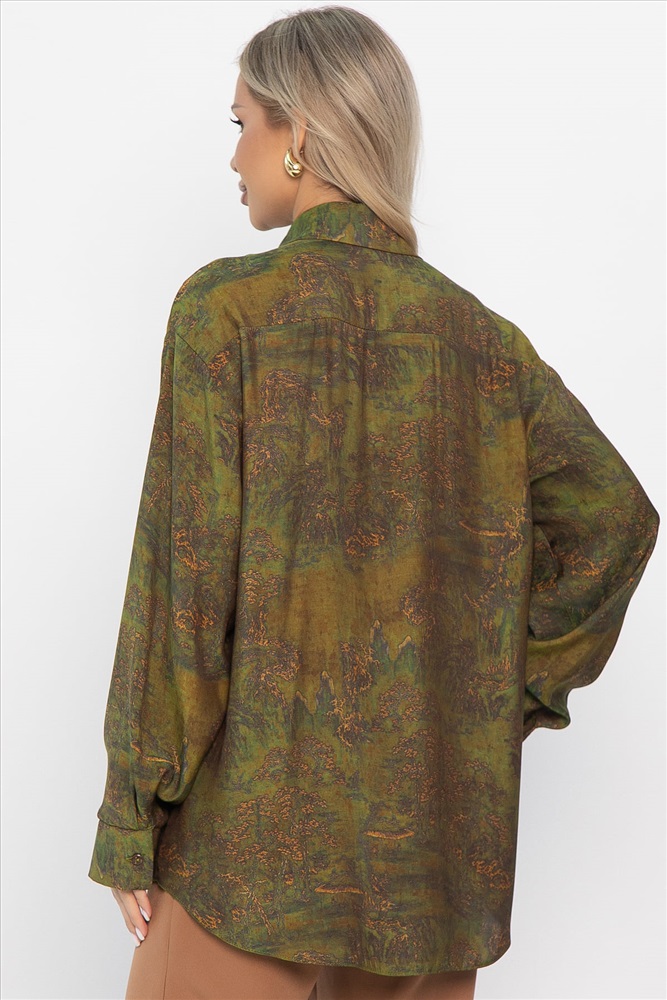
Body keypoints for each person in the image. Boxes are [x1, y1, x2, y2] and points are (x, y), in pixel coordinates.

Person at [87, 6, 660, 1000]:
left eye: (242, 124)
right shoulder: (483, 344)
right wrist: (486, 694)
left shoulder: (225, 313)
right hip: (427, 869)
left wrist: (130, 813)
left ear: (299, 133)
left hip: (247, 861)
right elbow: (616, 520)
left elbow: (181, 596)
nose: (235, 156)